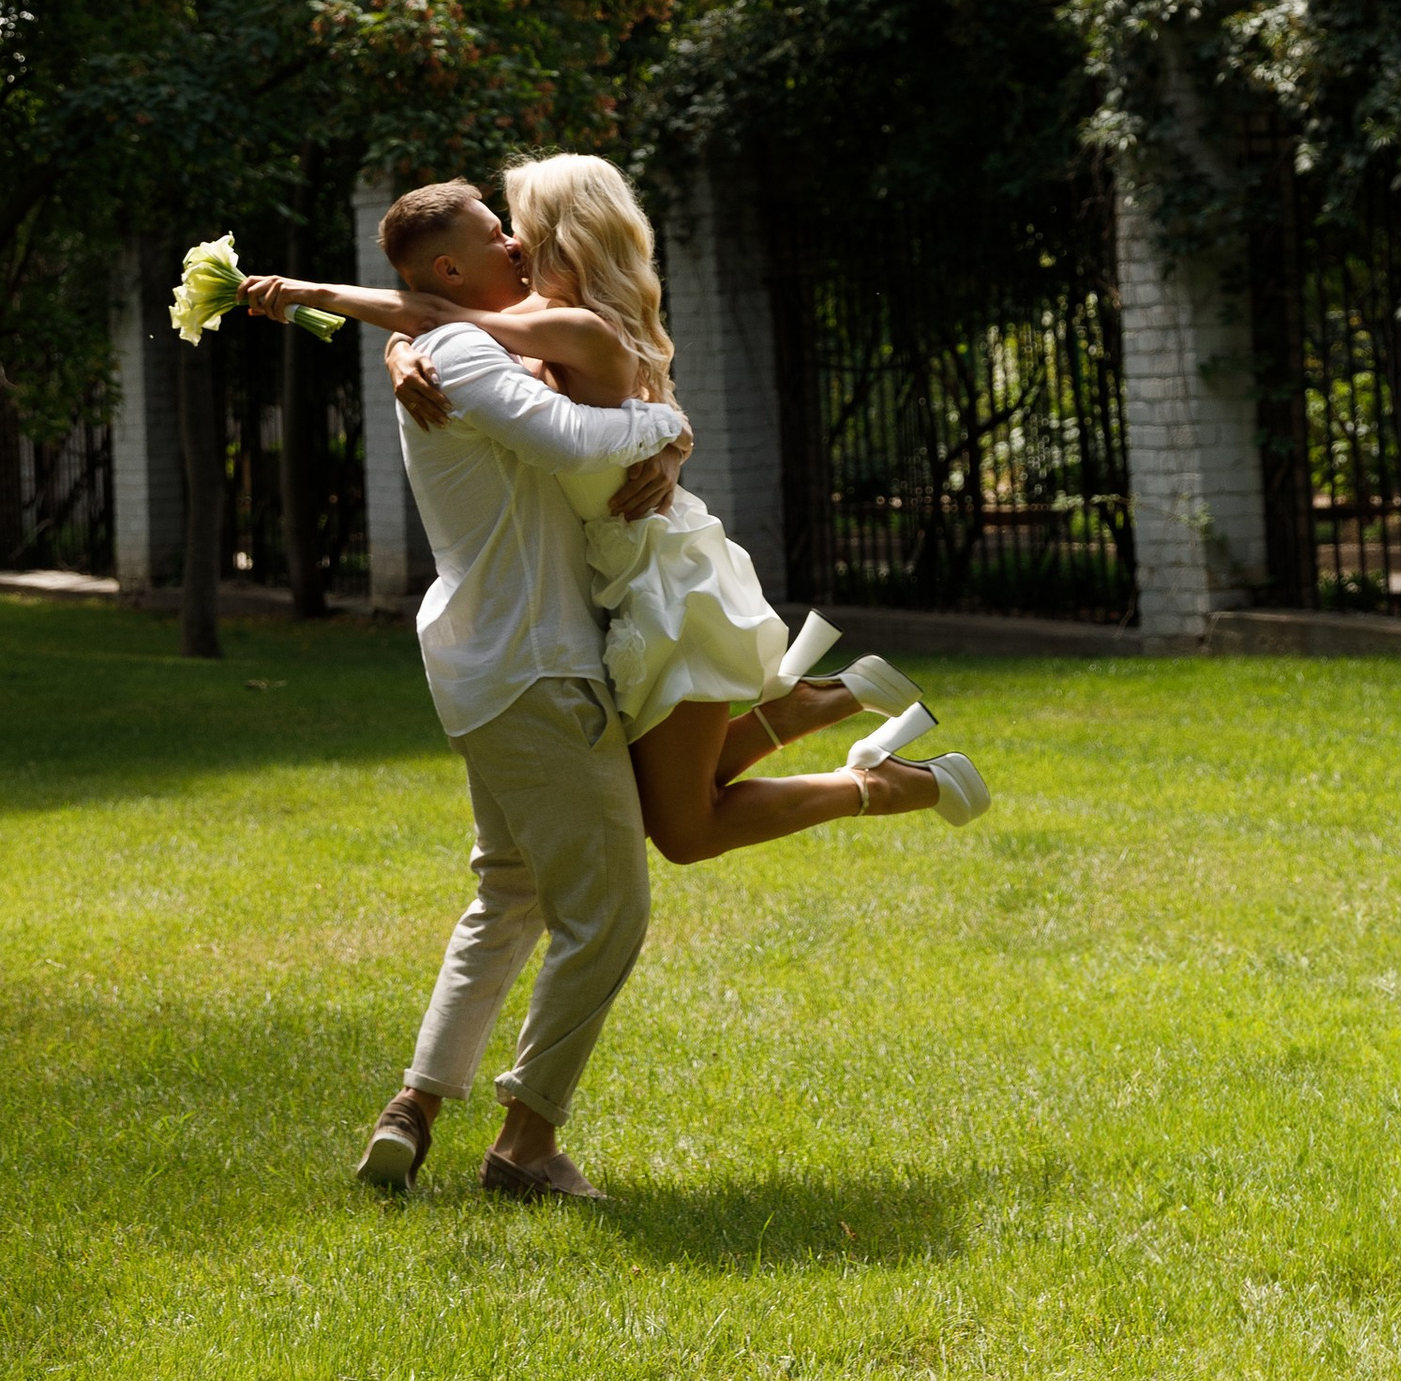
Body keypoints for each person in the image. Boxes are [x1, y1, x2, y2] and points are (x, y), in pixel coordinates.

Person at [243, 156, 991, 885]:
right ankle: (815, 705)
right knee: (640, 806)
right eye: (501, 232)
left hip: (665, 588)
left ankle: (892, 784)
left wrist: (350, 312)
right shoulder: (534, 324)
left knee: (683, 832)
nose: (511, 244)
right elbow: (436, 315)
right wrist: (400, 349)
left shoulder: (577, 326)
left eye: (520, 229)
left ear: (562, 238)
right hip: (625, 579)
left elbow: (440, 314)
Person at [274, 178, 690, 1206]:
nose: (517, 243)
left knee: (509, 894)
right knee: (609, 916)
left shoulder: (466, 341)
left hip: (494, 666)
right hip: (536, 666)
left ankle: (412, 1109)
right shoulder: (462, 352)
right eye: (495, 236)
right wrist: (667, 427)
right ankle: (526, 1145)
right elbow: (570, 444)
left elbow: (442, 336)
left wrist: (663, 445)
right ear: (451, 271)